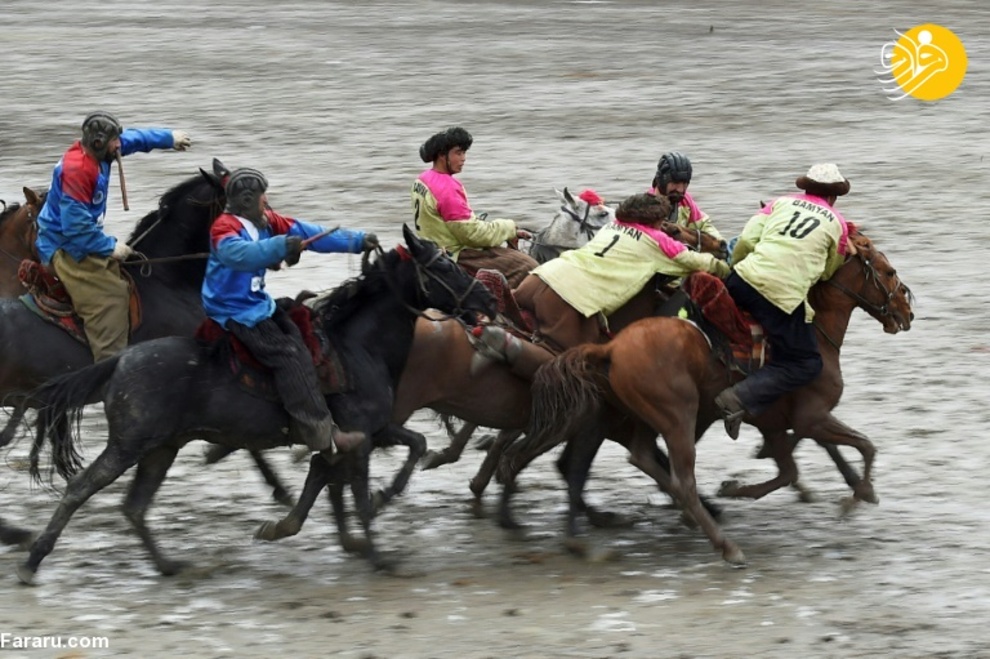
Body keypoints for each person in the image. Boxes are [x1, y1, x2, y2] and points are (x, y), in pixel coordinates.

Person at [202, 167, 377, 454]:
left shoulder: (266, 221)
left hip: (257, 303)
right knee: (289, 355)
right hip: (233, 309)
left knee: (305, 333)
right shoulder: (224, 229)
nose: (266, 201)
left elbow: (307, 232)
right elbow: (241, 255)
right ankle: (320, 432)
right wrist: (280, 246)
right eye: (261, 197)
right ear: (247, 200)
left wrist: (356, 241)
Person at [35, 110, 192, 361]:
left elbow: (134, 138)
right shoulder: (78, 170)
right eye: (113, 141)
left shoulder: (103, 151)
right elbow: (76, 227)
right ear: (98, 142)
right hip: (66, 246)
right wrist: (109, 247)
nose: (119, 145)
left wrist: (168, 138)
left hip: (84, 238)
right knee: (111, 299)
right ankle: (108, 369)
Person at [713, 163, 856, 440]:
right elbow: (827, 270)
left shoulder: (779, 203)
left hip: (741, 280)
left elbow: (746, 241)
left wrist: (740, 267)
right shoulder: (838, 224)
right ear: (834, 197)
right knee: (806, 362)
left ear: (805, 188)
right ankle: (738, 398)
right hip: (779, 297)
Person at [509, 192, 730, 354]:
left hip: (539, 277)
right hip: (568, 298)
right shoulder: (658, 242)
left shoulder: (610, 226)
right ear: (656, 221)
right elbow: (700, 263)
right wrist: (726, 265)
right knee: (567, 366)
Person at [411, 126, 537, 288]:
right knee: (526, 265)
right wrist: (509, 228)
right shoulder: (447, 187)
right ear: (442, 155)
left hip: (433, 247)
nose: (464, 158)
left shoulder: (422, 179)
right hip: (455, 254)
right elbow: (472, 234)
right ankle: (496, 311)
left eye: (464, 153)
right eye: (458, 153)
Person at [649, 150, 724, 243]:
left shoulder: (685, 201)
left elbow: (703, 225)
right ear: (662, 181)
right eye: (675, 183)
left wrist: (720, 243)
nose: (680, 189)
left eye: (684, 184)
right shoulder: (646, 208)